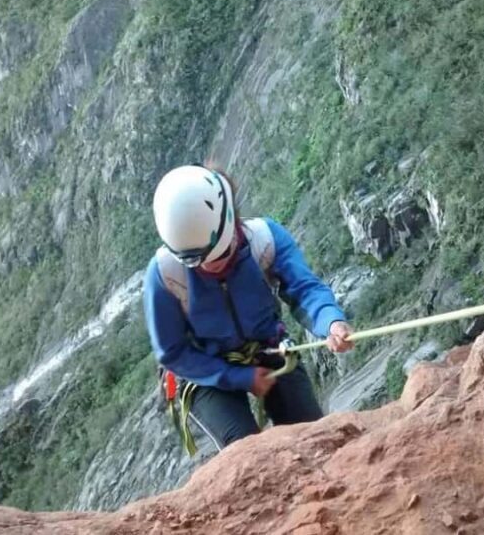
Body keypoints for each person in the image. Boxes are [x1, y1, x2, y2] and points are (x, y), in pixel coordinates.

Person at [143, 164, 354, 450]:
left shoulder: (264, 241)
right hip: (202, 369)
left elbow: (304, 289)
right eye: (199, 262)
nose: (209, 268)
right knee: (244, 448)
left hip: (266, 348)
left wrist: (331, 322)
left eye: (218, 257)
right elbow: (173, 351)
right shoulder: (166, 275)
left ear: (231, 225)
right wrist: (238, 377)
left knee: (313, 435)